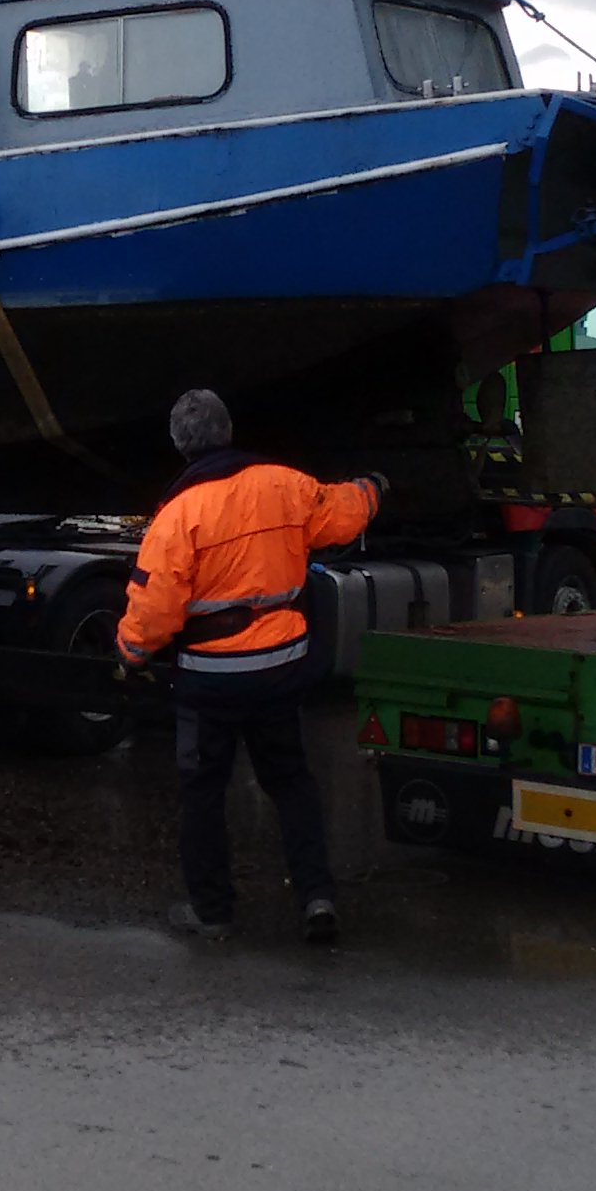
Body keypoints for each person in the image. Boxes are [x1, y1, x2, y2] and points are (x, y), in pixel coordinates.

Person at [118, 391, 380, 946]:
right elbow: (343, 513)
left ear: (178, 445)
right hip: (281, 668)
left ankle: (212, 913)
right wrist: (374, 487)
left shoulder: (176, 516)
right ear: (229, 429)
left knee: (203, 792)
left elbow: (154, 610)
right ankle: (316, 897)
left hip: (210, 679)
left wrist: (130, 654)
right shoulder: (284, 485)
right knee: (290, 782)